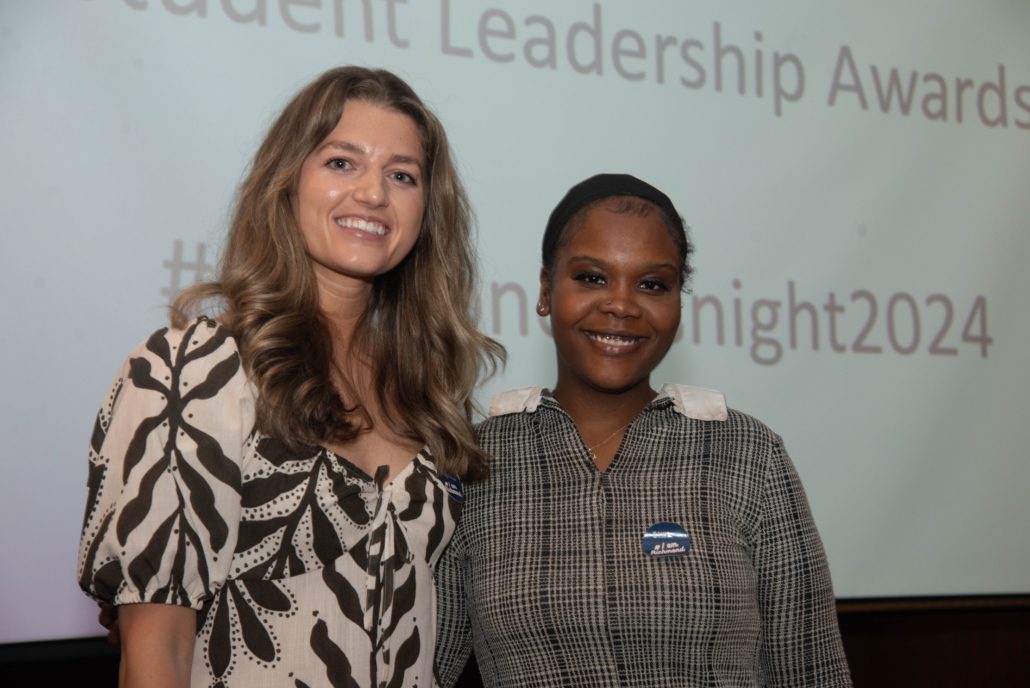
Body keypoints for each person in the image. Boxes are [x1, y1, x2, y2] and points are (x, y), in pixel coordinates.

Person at [77, 66, 502, 688]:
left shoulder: (432, 399)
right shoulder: (193, 368)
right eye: (341, 163)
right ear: (287, 183)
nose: (373, 194)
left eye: (402, 175)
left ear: (425, 213)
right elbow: (157, 650)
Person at [434, 173, 853, 687]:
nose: (622, 305)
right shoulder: (472, 464)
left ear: (678, 304)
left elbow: (811, 673)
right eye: (591, 277)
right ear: (546, 290)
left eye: (653, 284)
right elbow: (425, 670)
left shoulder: (749, 455)